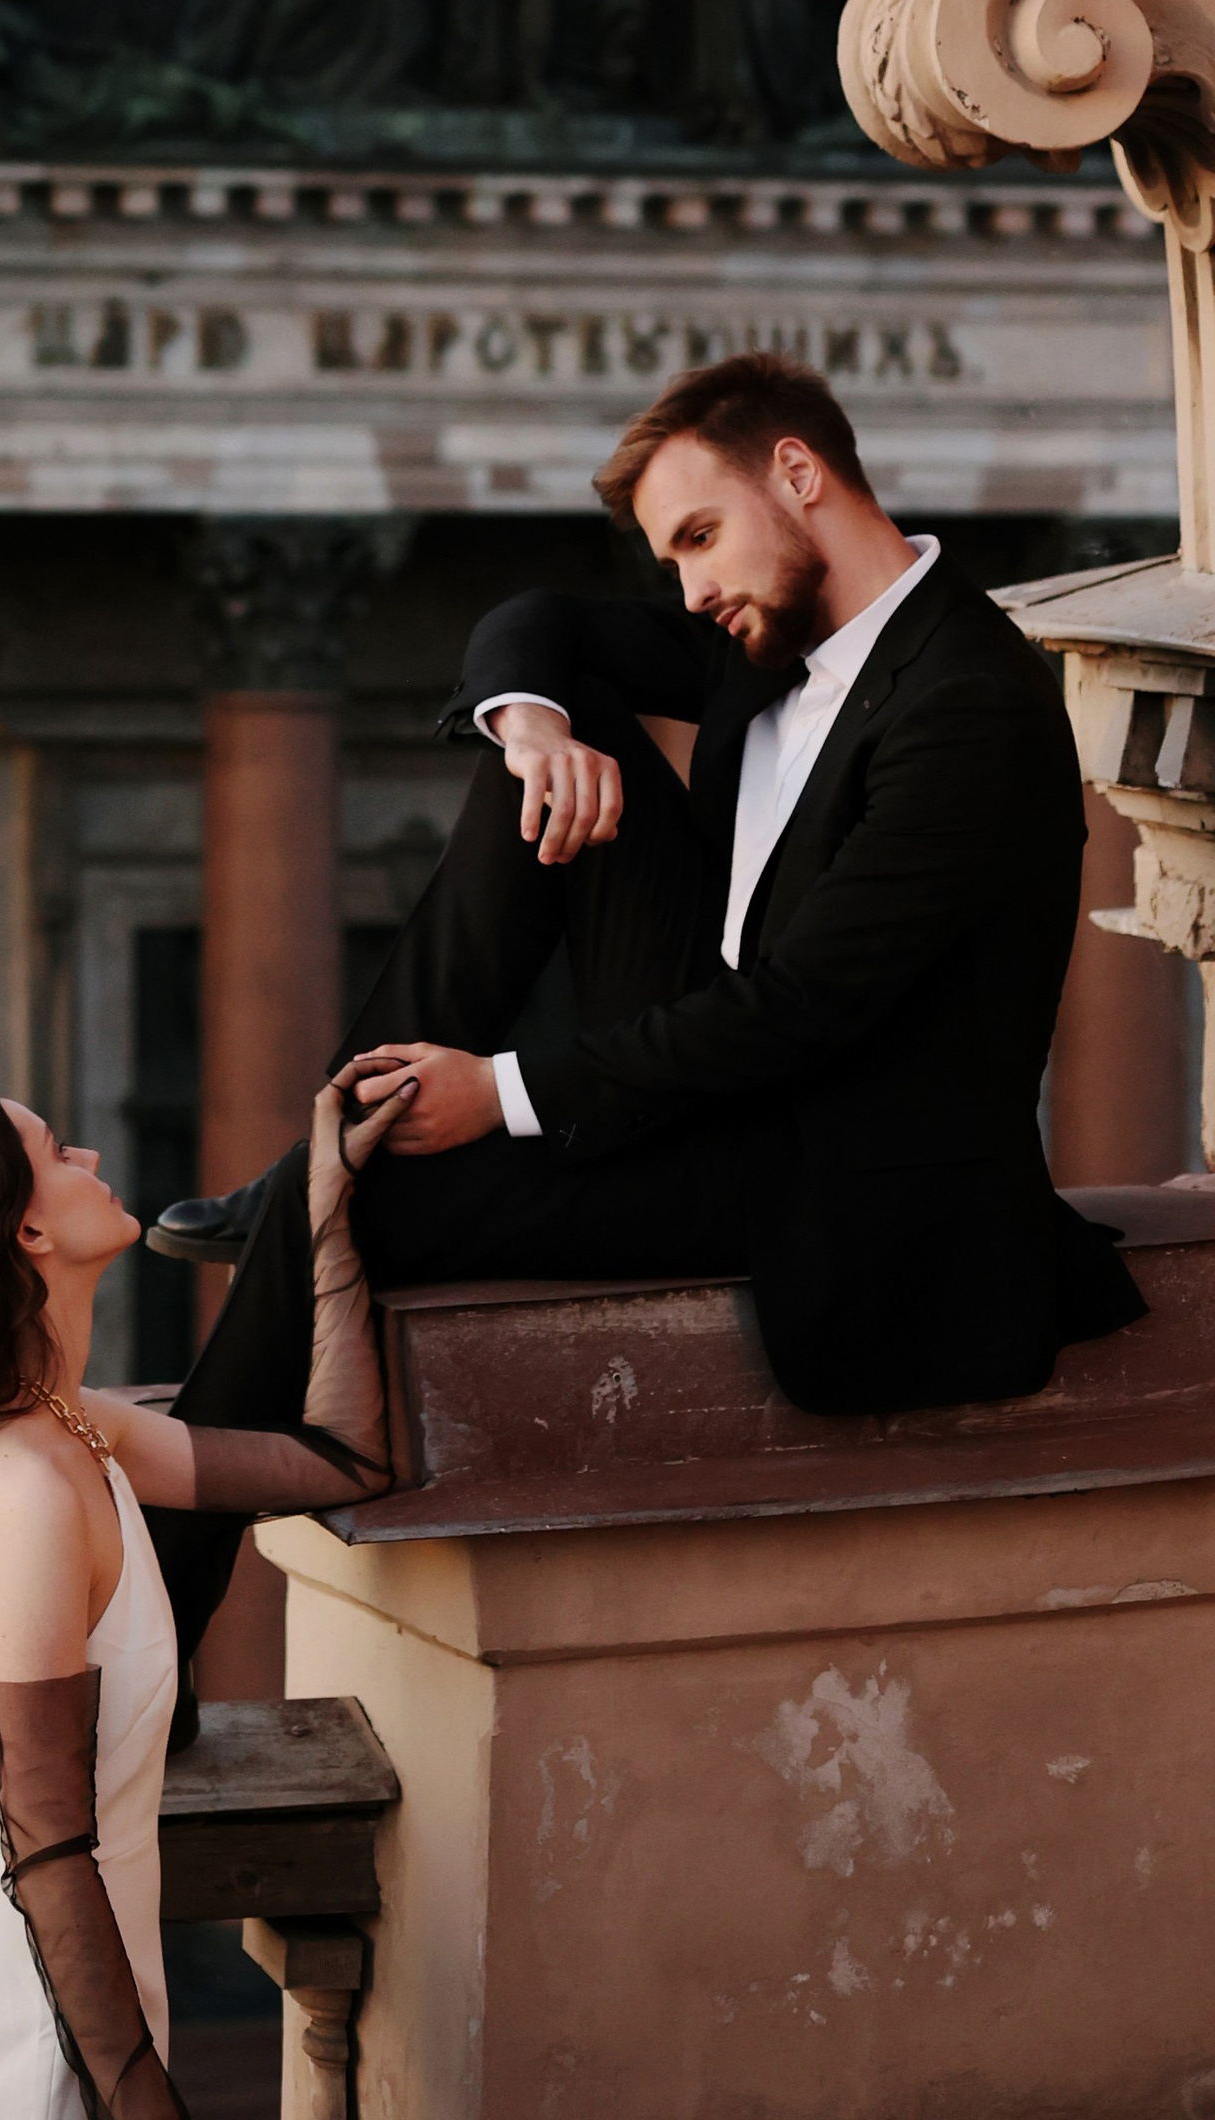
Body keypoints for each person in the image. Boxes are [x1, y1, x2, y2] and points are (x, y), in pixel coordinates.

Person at [148, 350, 1148, 1668]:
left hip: (830, 1166)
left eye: (698, 537)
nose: (688, 588)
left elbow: (808, 1009)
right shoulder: (772, 637)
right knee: (552, 765)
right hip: (724, 1075)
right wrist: (533, 734)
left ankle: (155, 1623)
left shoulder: (970, 702)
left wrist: (499, 1092)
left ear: (799, 476)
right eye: (670, 559)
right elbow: (535, 620)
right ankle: (334, 1139)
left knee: (359, 1205)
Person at [0, 1070, 404, 2119]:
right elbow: (42, 1837)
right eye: (54, 1150)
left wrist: (324, 1212)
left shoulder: (82, 1426)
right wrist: (139, 2096)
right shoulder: (24, 1490)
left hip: (80, 1978)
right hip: (24, 2004)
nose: (88, 1159)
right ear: (26, 1231)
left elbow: (345, 1462)